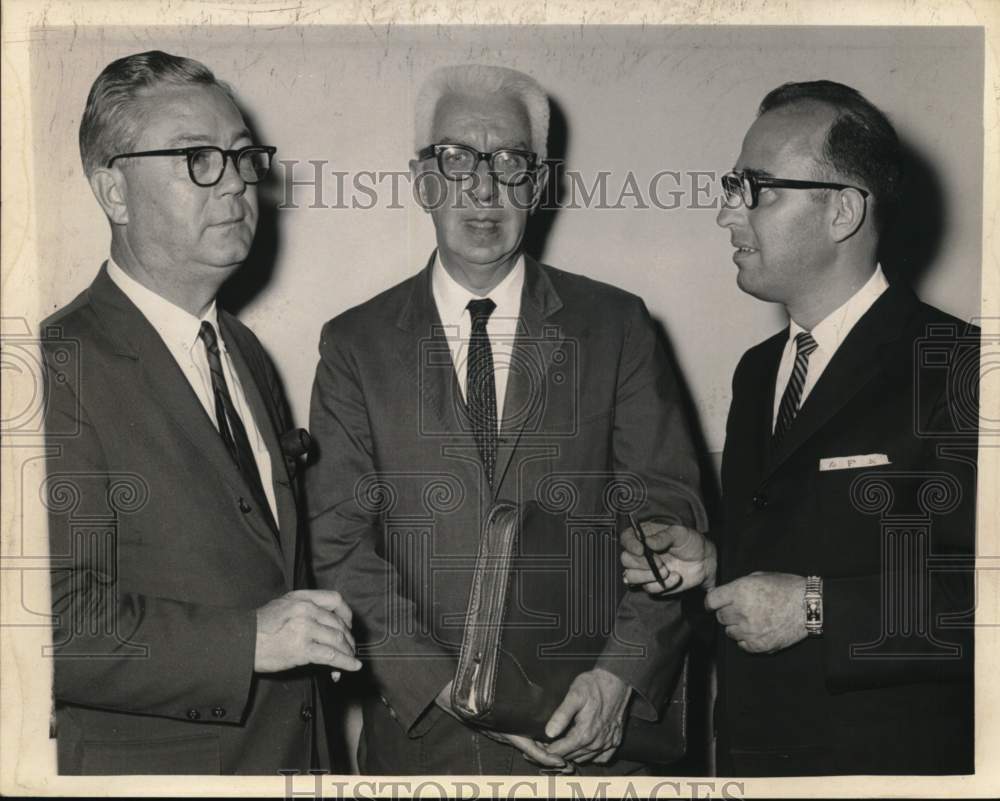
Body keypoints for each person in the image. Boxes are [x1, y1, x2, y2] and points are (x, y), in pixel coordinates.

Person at [307, 64, 707, 775]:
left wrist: (618, 676)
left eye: (511, 161)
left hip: (593, 739)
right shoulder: (354, 345)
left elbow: (666, 525)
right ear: (423, 179)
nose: (484, 188)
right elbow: (340, 547)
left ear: (541, 181)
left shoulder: (617, 327)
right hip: (423, 744)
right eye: (456, 159)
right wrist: (455, 692)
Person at [622, 80, 977, 776]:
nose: (728, 212)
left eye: (756, 188)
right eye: (732, 185)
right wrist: (713, 565)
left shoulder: (961, 367)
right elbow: (798, 546)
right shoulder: (760, 372)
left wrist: (818, 608)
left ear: (843, 210)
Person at [41, 50, 360, 775]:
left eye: (245, 157)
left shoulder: (242, 350)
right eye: (198, 158)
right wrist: (247, 640)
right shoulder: (52, 366)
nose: (239, 183)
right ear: (114, 193)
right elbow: (48, 627)